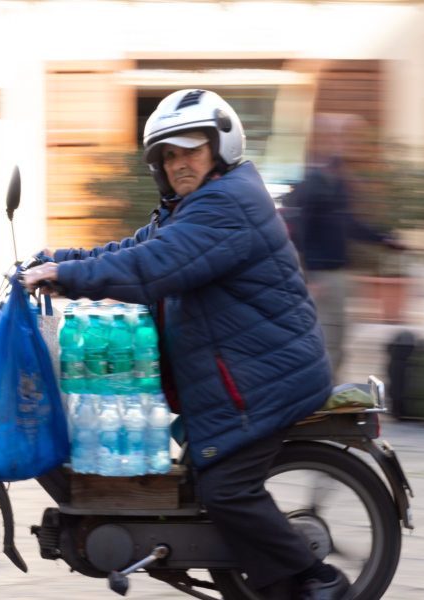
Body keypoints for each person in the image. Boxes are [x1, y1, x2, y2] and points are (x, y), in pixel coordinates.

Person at [23, 89, 348, 600]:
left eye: (190, 150)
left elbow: (152, 269)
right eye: (168, 156)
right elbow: (134, 249)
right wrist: (57, 260)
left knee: (226, 490)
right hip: (241, 373)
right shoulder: (194, 207)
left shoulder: (225, 205)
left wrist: (68, 275)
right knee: (187, 478)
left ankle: (316, 578)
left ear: (220, 147)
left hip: (264, 383)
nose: (178, 164)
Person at [283, 113, 405, 380]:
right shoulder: (312, 183)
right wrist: (310, 275)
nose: (345, 143)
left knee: (339, 341)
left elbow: (349, 223)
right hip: (322, 276)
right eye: (337, 136)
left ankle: (327, 398)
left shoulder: (337, 181)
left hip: (338, 274)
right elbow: (299, 231)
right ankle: (321, 401)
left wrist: (384, 240)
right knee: (328, 341)